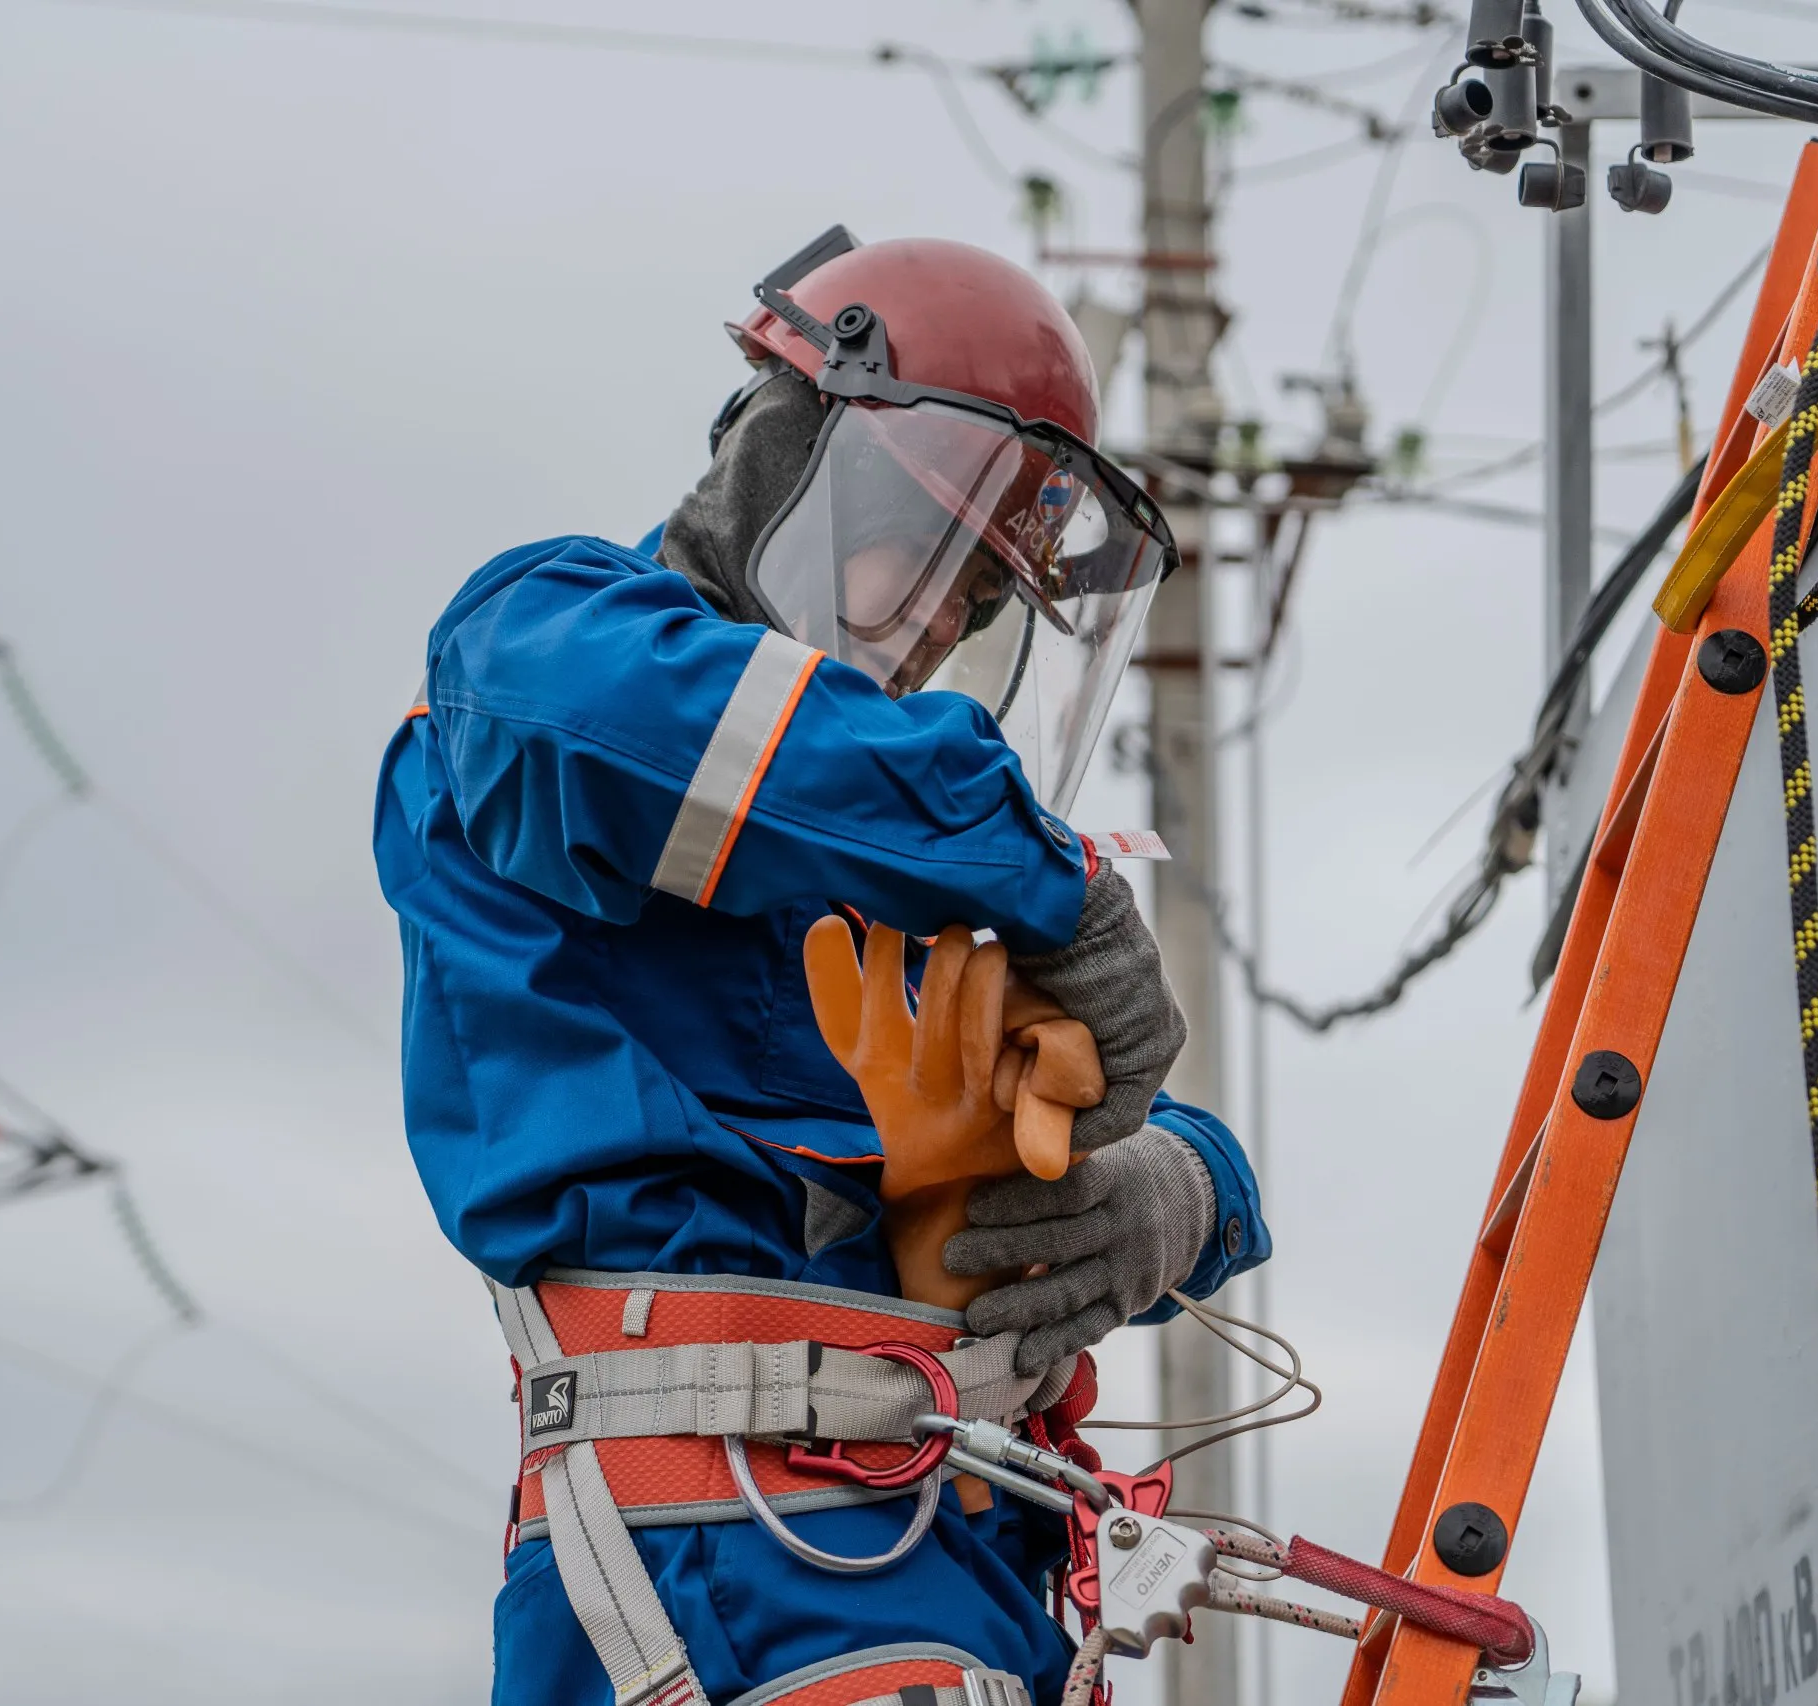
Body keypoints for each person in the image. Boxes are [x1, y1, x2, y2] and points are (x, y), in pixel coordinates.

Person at [374, 228, 1271, 1706]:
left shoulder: (898, 842)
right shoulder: (536, 646)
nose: (927, 627)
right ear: (784, 454)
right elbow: (613, 721)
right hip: (728, 1559)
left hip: (964, 1560)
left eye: (974, 605)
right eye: (917, 553)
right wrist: (1048, 874)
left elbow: (1035, 1111)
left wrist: (1180, 1193)